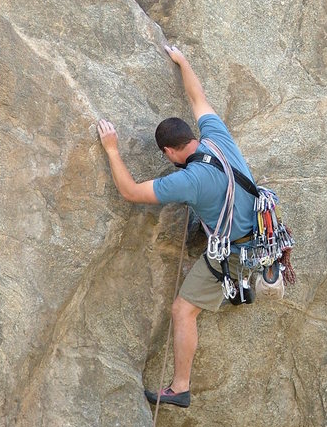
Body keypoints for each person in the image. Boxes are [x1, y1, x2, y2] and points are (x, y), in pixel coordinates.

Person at [97, 45, 258, 408]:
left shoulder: (188, 181)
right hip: (259, 236)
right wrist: (183, 61)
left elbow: (130, 192)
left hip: (235, 252)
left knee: (182, 310)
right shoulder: (217, 136)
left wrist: (111, 150)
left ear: (170, 153)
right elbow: (197, 97)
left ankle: (180, 387)